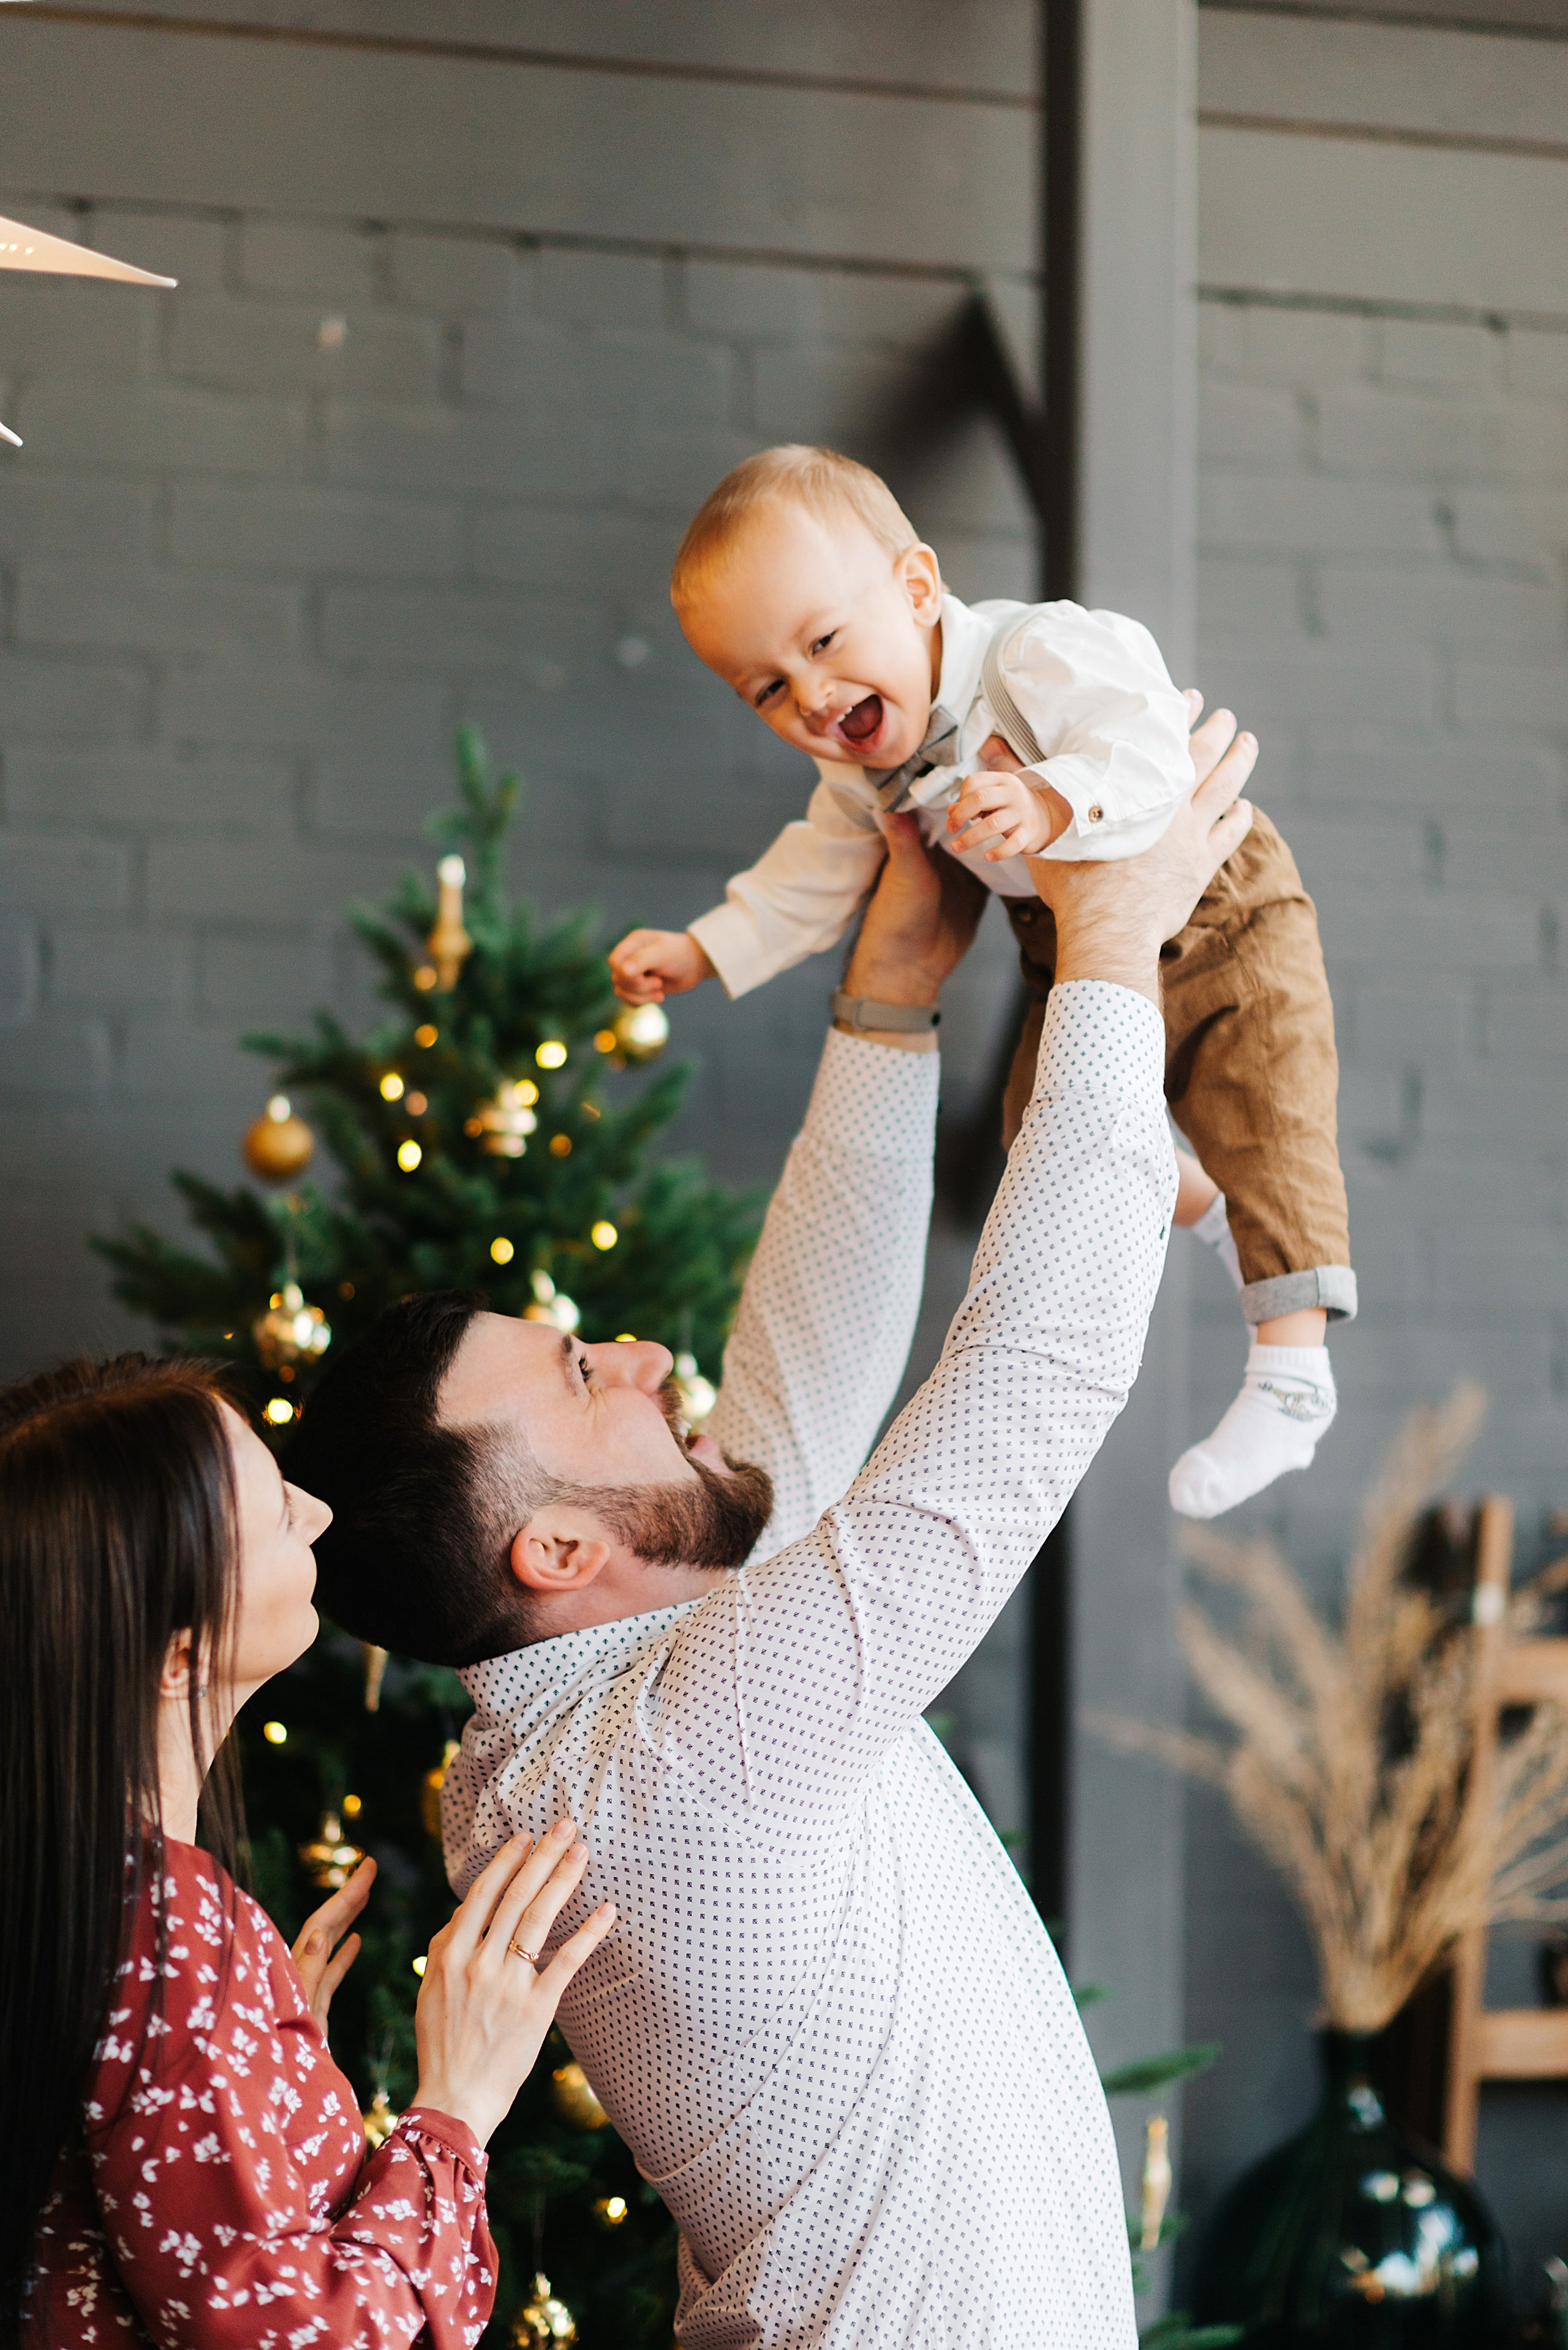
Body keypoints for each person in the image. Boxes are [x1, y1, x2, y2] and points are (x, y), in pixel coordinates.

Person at [285, 711, 1256, 2350]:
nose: (654, 1357)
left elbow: (798, 1375)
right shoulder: (679, 1752)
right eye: (591, 1374)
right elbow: (1031, 1379)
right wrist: (1106, 938)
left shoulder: (585, 1710)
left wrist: (889, 993)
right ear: (556, 1552)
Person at [608, 444, 1355, 1519]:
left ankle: (1291, 1379)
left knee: (1267, 1112)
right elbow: (814, 872)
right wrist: (707, 946)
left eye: (825, 641)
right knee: (1040, 1134)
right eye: (768, 686)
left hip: (1218, 899)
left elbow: (1151, 741)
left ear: (915, 589)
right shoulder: (860, 767)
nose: (813, 696)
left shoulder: (1032, 653)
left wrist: (1052, 805)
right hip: (1068, 940)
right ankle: (1225, 1222)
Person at [1, 1352, 616, 2350]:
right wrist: (453, 2111)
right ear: (179, 1652)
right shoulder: (165, 1926)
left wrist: (259, 2078)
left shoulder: (85, 1897)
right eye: (280, 1512)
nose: (320, 1514)